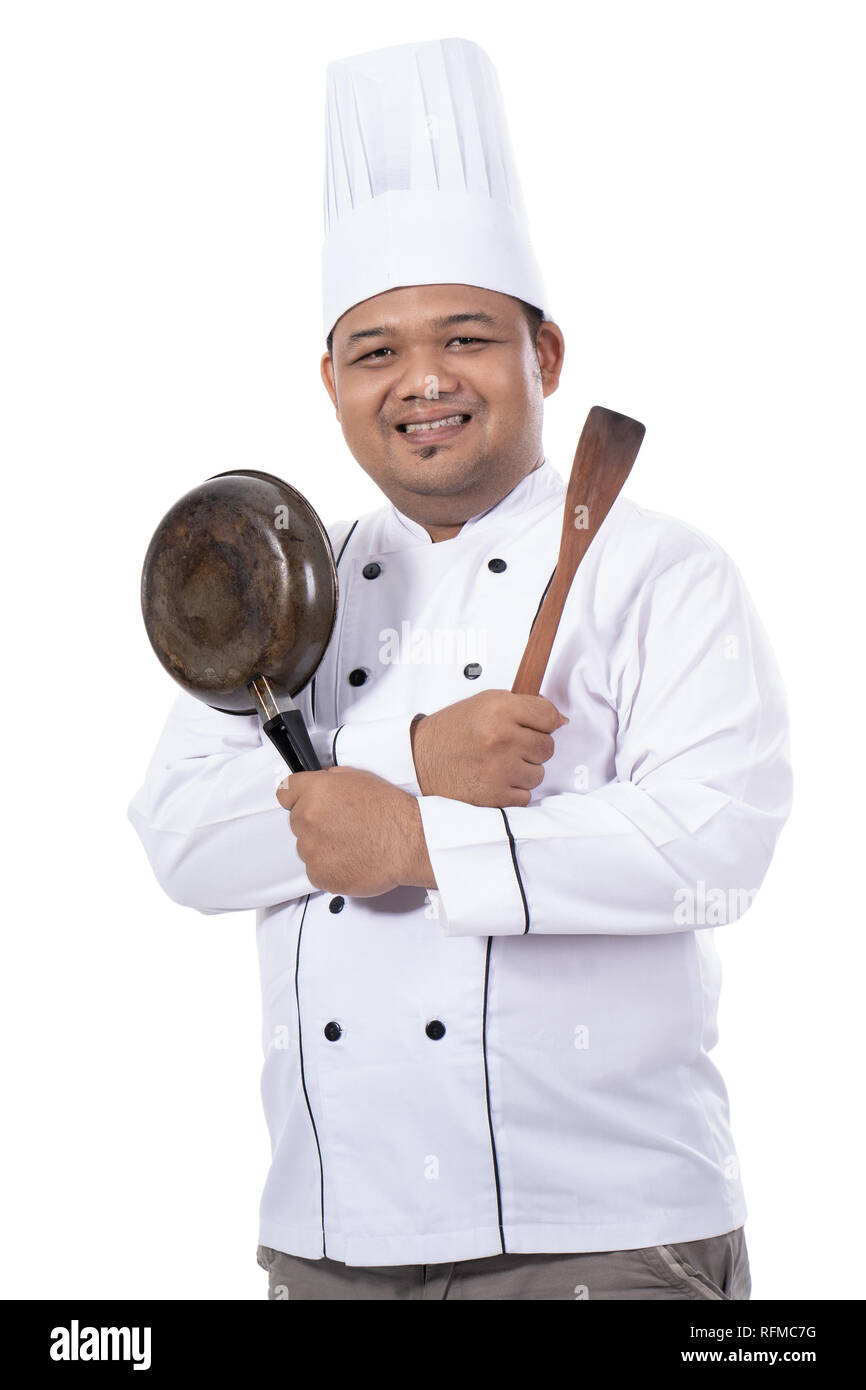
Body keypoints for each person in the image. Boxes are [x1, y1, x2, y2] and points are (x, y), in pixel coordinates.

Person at [128, 37, 792, 1301]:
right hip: (325, 1236)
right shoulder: (281, 584)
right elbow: (180, 841)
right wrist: (413, 761)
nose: (420, 380)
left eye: (466, 338)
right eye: (374, 351)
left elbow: (711, 851)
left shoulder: (660, 571)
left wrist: (418, 843)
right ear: (331, 383)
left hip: (601, 1238)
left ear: (543, 358)